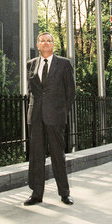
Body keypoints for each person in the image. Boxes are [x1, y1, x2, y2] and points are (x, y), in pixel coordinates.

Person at [24, 32, 76, 206]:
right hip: (36, 118)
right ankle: (36, 194)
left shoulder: (64, 64)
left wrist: (61, 113)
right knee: (36, 156)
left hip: (55, 117)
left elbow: (71, 93)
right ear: (37, 45)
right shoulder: (30, 65)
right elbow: (32, 92)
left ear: (53, 45)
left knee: (57, 155)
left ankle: (64, 193)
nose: (45, 43)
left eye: (48, 41)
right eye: (42, 41)